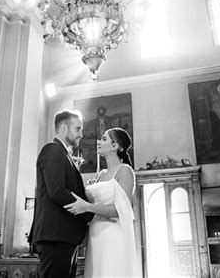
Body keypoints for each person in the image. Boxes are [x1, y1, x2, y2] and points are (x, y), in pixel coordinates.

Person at [64, 127, 139, 278]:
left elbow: (121, 210)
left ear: (115, 146)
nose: (99, 141)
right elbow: (84, 199)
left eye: (104, 139)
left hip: (113, 233)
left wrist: (88, 207)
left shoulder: (125, 170)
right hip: (95, 234)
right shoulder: (102, 174)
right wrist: (75, 172)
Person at [28, 110, 95, 278]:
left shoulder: (63, 153)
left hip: (63, 236)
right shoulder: (52, 150)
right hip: (56, 237)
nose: (82, 133)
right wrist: (89, 212)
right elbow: (57, 191)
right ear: (64, 129)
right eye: (78, 128)